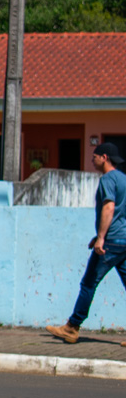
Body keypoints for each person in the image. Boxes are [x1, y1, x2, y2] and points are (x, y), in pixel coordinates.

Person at [47, 142, 126, 344]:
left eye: (95, 156)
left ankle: (72, 327)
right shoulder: (124, 179)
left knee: (89, 283)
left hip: (111, 243)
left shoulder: (108, 179)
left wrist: (101, 237)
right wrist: (99, 234)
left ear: (104, 157)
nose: (93, 160)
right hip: (123, 240)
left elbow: (109, 207)